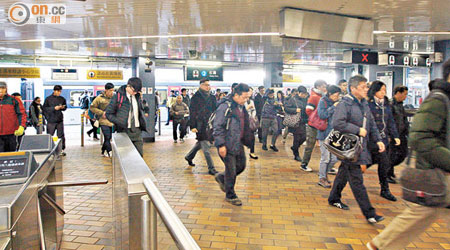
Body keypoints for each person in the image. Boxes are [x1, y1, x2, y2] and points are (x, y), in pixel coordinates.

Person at [366, 64, 450, 250]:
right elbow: (421, 137)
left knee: (422, 212)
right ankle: (379, 245)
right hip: (433, 171)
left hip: (439, 170)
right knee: (421, 211)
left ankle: (380, 244)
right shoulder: (438, 100)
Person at [327, 75, 386, 224]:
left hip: (359, 147)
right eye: (363, 87)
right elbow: (337, 123)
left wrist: (378, 140)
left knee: (343, 173)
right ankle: (369, 213)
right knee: (357, 180)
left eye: (366, 86)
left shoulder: (364, 104)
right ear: (353, 89)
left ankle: (334, 198)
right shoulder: (344, 104)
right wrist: (357, 130)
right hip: (349, 148)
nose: (367, 89)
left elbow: (371, 124)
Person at [213, 83, 252, 206]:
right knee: (231, 170)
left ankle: (221, 177)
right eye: (244, 97)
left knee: (241, 166)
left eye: (247, 98)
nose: (246, 100)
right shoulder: (225, 107)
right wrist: (221, 145)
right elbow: (217, 126)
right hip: (227, 143)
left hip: (237, 142)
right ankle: (230, 195)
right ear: (236, 95)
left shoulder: (241, 107)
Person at [367, 81, 400, 201]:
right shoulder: (368, 104)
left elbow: (390, 121)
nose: (383, 92)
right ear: (374, 90)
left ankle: (385, 189)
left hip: (384, 141)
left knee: (384, 164)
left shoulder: (386, 105)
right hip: (370, 141)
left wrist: (395, 135)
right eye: (381, 90)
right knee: (364, 163)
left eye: (384, 90)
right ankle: (349, 178)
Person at [105, 77, 148, 156]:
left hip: (137, 132)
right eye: (134, 90)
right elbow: (108, 114)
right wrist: (118, 121)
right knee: (125, 157)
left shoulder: (137, 96)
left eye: (137, 91)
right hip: (123, 131)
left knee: (139, 157)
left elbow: (141, 109)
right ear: (128, 86)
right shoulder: (118, 97)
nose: (135, 93)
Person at [185, 79, 218, 175]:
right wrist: (192, 126)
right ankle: (211, 168)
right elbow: (192, 112)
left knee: (200, 143)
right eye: (206, 85)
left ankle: (189, 157)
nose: (208, 87)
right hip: (200, 125)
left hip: (210, 124)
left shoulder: (212, 97)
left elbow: (215, 111)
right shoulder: (195, 97)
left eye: (209, 85)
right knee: (206, 146)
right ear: (201, 86)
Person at [316, 85, 342, 188]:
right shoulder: (323, 101)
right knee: (325, 158)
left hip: (335, 134)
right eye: (336, 95)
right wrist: (333, 107)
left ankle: (323, 173)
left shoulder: (338, 102)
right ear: (330, 94)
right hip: (324, 133)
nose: (338, 96)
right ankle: (322, 178)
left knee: (334, 159)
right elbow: (322, 115)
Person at [302, 79, 328, 171]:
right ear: (318, 87)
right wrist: (317, 118)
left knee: (326, 146)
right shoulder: (314, 97)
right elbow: (308, 110)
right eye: (323, 87)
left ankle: (329, 166)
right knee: (310, 146)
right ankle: (304, 164)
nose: (325, 88)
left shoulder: (322, 96)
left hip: (321, 125)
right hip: (313, 126)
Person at [388, 85, 409, 182]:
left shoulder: (400, 106)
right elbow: (389, 121)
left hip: (401, 134)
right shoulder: (391, 105)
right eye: (404, 94)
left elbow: (404, 121)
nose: (405, 96)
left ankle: (389, 170)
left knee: (403, 154)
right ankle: (387, 174)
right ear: (398, 93)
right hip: (393, 135)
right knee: (392, 155)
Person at [90, 82, 115, 157]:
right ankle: (109, 151)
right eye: (110, 90)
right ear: (106, 90)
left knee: (109, 137)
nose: (112, 92)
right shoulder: (99, 98)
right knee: (107, 136)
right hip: (103, 120)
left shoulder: (115, 97)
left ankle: (103, 150)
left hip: (111, 120)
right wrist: (101, 113)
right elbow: (92, 108)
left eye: (113, 90)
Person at [0, 82, 26, 152]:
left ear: (6, 89)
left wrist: (22, 126)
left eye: (2, 88)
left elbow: (22, 114)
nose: (0, 91)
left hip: (11, 134)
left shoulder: (14, 100)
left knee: (11, 155)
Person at [284, 87, 308, 162]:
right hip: (296, 121)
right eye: (303, 94)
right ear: (299, 93)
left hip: (303, 121)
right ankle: (296, 155)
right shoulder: (293, 99)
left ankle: (294, 147)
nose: (304, 95)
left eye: (305, 94)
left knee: (304, 137)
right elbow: (286, 108)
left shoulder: (305, 100)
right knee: (297, 138)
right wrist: (295, 110)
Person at [43, 85, 67, 155]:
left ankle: (61, 149)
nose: (59, 93)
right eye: (58, 91)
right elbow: (44, 109)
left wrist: (62, 107)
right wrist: (54, 108)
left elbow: (65, 108)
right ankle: (49, 149)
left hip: (59, 119)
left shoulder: (62, 99)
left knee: (61, 135)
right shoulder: (48, 99)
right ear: (54, 91)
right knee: (50, 135)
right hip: (51, 120)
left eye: (60, 91)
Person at [244, 88, 258, 159]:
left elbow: (254, 110)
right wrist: (247, 108)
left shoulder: (251, 101)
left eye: (251, 92)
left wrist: (252, 116)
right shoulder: (242, 100)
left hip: (250, 121)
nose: (250, 93)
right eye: (249, 91)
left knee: (252, 137)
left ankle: (252, 152)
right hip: (243, 122)